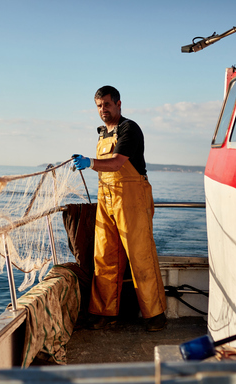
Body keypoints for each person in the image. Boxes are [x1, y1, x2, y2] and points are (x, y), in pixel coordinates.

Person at [72, 86, 168, 331]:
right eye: (98, 106)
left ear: (118, 104)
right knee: (104, 256)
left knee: (140, 254)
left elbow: (116, 163)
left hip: (132, 197)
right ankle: (104, 312)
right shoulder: (102, 133)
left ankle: (155, 314)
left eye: (106, 104)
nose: (102, 110)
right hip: (106, 197)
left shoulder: (129, 129)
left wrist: (90, 162)